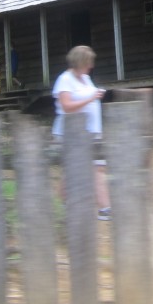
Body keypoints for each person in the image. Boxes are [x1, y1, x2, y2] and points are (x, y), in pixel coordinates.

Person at [52, 45, 110, 220]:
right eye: (88, 62)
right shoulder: (64, 80)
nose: (91, 66)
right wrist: (92, 97)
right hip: (71, 133)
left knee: (80, 169)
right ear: (80, 62)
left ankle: (58, 203)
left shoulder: (85, 78)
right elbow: (66, 106)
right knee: (95, 168)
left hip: (92, 132)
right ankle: (105, 208)